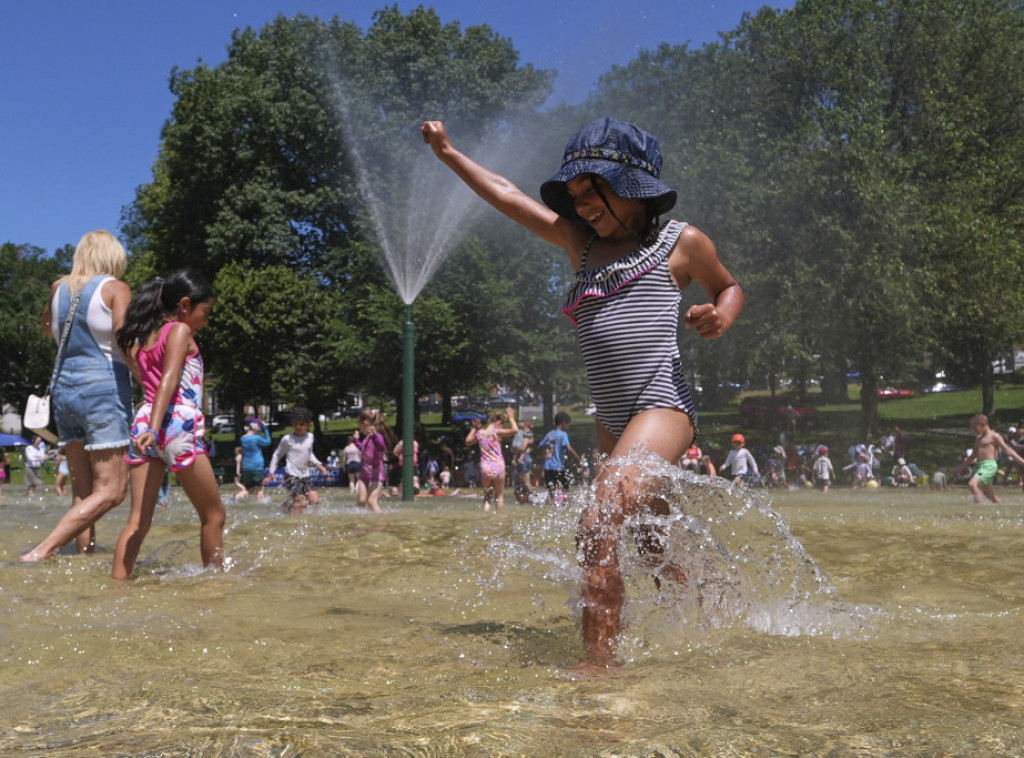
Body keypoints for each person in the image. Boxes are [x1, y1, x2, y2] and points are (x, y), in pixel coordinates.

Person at [424, 116, 743, 666]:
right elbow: (508, 195)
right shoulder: (581, 244)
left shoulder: (681, 242)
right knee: (648, 543)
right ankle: (717, 618)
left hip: (661, 405)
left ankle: (598, 674)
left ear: (633, 187)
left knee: (596, 524)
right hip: (612, 420)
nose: (583, 207)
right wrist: (451, 155)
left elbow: (730, 285)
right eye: (575, 196)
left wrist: (721, 315)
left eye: (592, 192)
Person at [22, 232, 133, 560]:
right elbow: (125, 341)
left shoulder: (59, 289)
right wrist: (148, 381)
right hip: (102, 389)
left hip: (64, 391)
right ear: (112, 256)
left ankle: (84, 555)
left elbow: (47, 327)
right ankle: (42, 550)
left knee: (83, 492)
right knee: (112, 490)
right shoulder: (115, 288)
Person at [110, 270, 225, 580]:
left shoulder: (142, 339)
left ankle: (117, 587)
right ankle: (217, 586)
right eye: (205, 311)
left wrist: (148, 424)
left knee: (137, 522)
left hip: (145, 422)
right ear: (185, 305)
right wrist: (156, 426)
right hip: (173, 426)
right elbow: (168, 381)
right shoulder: (178, 331)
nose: (207, 319)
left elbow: (149, 381)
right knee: (213, 515)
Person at [264, 407, 328, 514]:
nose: (298, 427)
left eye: (301, 424)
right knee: (299, 501)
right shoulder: (287, 439)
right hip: (292, 475)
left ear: (308, 425)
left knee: (315, 501)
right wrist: (271, 472)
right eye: (295, 424)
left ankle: (288, 507)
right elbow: (277, 454)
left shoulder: (310, 437)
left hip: (305, 475)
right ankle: (297, 523)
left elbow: (309, 453)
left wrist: (318, 464)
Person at [952, 414, 1024, 504]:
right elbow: (972, 456)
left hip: (989, 465)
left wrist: (1022, 462)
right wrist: (960, 468)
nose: (973, 430)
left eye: (975, 427)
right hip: (980, 466)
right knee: (988, 493)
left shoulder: (994, 436)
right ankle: (1002, 506)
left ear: (983, 424)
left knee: (972, 484)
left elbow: (1008, 450)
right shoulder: (978, 439)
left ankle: (979, 510)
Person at [465, 408, 519, 512]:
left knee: (487, 496)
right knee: (499, 497)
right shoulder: (497, 432)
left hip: (485, 467)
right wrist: (511, 418)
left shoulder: (480, 433)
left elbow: (467, 442)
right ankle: (498, 519)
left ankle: (486, 517)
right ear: (497, 422)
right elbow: (515, 430)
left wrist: (474, 428)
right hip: (498, 466)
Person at [538, 412, 585, 505]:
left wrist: (542, 457)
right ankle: (568, 508)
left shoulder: (549, 434)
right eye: (568, 424)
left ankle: (547, 510)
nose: (569, 426)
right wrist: (579, 459)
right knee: (566, 490)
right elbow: (569, 448)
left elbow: (539, 447)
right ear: (564, 423)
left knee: (550, 492)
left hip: (548, 467)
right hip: (558, 467)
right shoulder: (563, 434)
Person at [355, 409, 396, 512]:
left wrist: (375, 436)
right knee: (361, 500)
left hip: (376, 475)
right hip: (364, 474)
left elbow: (382, 447)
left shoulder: (377, 436)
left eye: (360, 427)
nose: (361, 430)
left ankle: (380, 521)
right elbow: (364, 450)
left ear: (365, 423)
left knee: (371, 501)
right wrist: (356, 441)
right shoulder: (367, 438)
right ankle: (359, 522)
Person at [239, 418, 271, 500]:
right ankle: (261, 505)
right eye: (259, 428)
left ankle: (235, 497)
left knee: (249, 489)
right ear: (256, 428)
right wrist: (265, 428)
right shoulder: (256, 438)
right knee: (260, 488)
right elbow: (268, 442)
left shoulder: (243, 438)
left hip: (246, 466)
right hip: (257, 466)